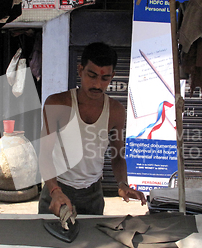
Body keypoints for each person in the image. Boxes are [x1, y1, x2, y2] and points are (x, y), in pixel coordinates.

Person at [38, 42, 146, 216]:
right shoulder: (57, 103)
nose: (97, 84)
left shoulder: (116, 111)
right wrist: (54, 191)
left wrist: (122, 184)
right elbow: (44, 154)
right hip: (57, 189)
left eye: (105, 78)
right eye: (92, 75)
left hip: (93, 195)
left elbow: (118, 157)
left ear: (113, 76)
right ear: (80, 70)